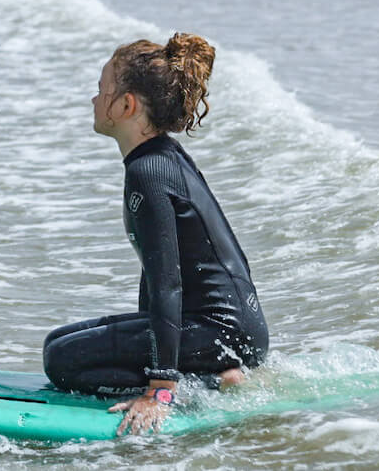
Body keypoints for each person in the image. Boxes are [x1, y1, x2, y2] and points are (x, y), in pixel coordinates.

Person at [43, 33, 268, 436]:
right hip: (232, 328)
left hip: (219, 332)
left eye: (101, 91)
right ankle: (216, 371)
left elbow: (167, 283)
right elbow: (159, 272)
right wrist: (150, 341)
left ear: (126, 105)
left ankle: (209, 381)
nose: (94, 100)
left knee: (63, 361)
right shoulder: (162, 156)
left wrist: (159, 386)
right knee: (59, 341)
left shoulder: (148, 173)